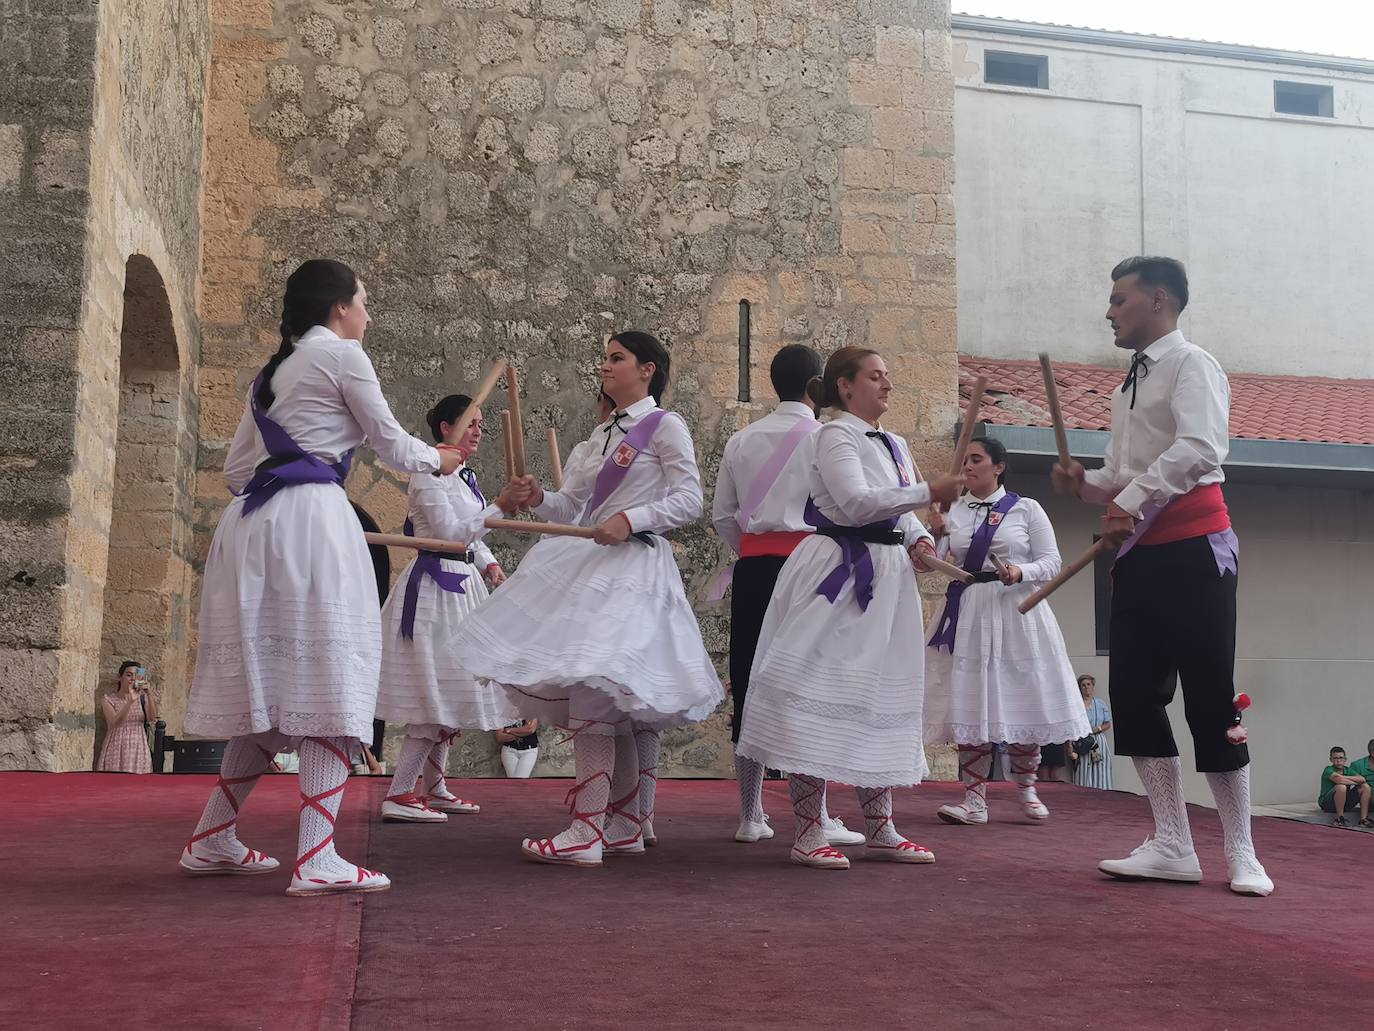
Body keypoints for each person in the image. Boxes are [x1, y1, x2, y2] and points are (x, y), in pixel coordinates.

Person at [180, 259, 461, 896]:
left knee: (277, 689)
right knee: (332, 679)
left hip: (249, 525)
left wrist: (287, 484)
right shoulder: (342, 355)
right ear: (340, 308)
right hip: (312, 525)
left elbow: (234, 471)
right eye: (364, 302)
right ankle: (317, 856)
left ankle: (211, 837)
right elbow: (393, 445)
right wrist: (441, 458)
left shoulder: (272, 372)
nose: (368, 314)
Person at [449, 331, 722, 866]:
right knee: (603, 697)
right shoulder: (594, 440)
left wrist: (632, 518)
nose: (605, 366)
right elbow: (571, 510)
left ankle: (587, 830)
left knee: (604, 695)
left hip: (635, 570)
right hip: (589, 567)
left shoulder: (665, 426)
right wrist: (539, 499)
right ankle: (619, 824)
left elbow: (690, 498)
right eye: (605, 358)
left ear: (648, 369)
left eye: (616, 358)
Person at [1052, 255, 1272, 896]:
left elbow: (1202, 448)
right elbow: (1123, 481)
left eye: (1119, 298)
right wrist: (1089, 487)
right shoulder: (1127, 385)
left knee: (1209, 693)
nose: (1110, 310)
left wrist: (1123, 499)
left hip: (1196, 548)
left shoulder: (1191, 363)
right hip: (1140, 555)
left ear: (1158, 299)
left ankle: (1241, 848)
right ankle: (1172, 841)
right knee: (1136, 696)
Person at [736, 347, 963, 870]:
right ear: (844, 387)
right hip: (838, 570)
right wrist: (929, 490)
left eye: (888, 377)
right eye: (875, 377)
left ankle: (881, 825)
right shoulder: (832, 435)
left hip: (888, 577)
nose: (887, 385)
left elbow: (900, 512)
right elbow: (857, 502)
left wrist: (921, 542)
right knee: (815, 689)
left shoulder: (896, 442)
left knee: (880, 691)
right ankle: (808, 830)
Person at [712, 344, 862, 848]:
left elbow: (721, 516)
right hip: (813, 569)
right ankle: (816, 813)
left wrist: (754, 551)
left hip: (755, 567)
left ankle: (750, 813)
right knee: (815, 683)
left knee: (750, 679)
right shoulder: (829, 437)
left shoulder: (741, 440)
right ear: (817, 385)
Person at [374, 392, 526, 824]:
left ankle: (434, 786)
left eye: (481, 423)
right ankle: (400, 791)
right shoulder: (428, 472)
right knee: (435, 690)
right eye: (470, 422)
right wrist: (499, 506)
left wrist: (490, 563)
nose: (479, 430)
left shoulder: (462, 477)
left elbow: (471, 539)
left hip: (462, 587)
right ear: (445, 428)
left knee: (454, 689)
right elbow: (448, 532)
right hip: (434, 591)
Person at [923, 438, 1090, 825]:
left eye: (976, 459)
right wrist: (934, 534)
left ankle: (1027, 787)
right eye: (965, 460)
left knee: (1022, 697)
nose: (968, 466)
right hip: (969, 610)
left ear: (998, 466)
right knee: (971, 699)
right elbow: (930, 562)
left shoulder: (1027, 509)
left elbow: (1052, 561)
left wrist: (1020, 572)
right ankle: (974, 798)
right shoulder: (953, 510)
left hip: (1017, 609)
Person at [97, 661, 157, 774]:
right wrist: (129, 703)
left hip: (138, 745)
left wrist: (149, 694)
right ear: (120, 677)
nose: (132, 679)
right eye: (129, 675)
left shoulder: (142, 698)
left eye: (136, 676)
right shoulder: (108, 699)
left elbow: (152, 718)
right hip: (117, 745)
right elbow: (114, 722)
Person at [1071, 674, 1114, 790]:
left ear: (1093, 686)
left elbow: (1108, 723)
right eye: (1083, 685)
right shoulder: (1076, 705)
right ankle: (1084, 791)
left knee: (1100, 766)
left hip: (1098, 740)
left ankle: (1102, 791)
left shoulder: (1100, 703)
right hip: (1083, 740)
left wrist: (1098, 728)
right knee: (1084, 767)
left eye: (1088, 684)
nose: (1086, 688)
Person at [1319, 746, 1371, 827]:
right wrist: (1354, 782)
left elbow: (1362, 779)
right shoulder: (1328, 770)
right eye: (1335, 758)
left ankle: (1363, 819)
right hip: (1327, 805)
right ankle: (1340, 818)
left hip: (1345, 803)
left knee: (1365, 786)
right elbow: (1340, 781)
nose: (1339, 761)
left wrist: (1343, 777)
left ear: (1345, 759)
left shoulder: (1347, 770)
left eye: (1341, 758)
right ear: (1331, 760)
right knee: (1341, 787)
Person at [1347, 740, 1374, 828]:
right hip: (1369, 799)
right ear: (1372, 753)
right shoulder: (1357, 765)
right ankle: (1363, 819)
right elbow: (1348, 784)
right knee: (1364, 786)